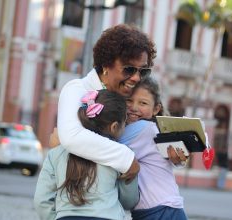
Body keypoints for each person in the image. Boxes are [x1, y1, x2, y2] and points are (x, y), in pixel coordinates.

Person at [56, 24, 157, 183]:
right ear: (105, 65)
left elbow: (153, 127)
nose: (137, 78)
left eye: (143, 71)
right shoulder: (77, 89)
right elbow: (71, 137)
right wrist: (126, 159)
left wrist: (176, 154)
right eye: (129, 69)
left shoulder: (129, 96)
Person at [34, 90, 139, 220]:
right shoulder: (121, 155)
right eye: (125, 124)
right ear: (114, 127)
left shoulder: (56, 153)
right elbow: (129, 200)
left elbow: (41, 201)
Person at [119, 77, 188, 220]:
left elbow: (104, 144)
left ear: (156, 109)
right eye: (129, 100)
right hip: (164, 210)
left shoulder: (143, 128)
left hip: (161, 212)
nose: (134, 107)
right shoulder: (154, 128)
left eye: (143, 103)